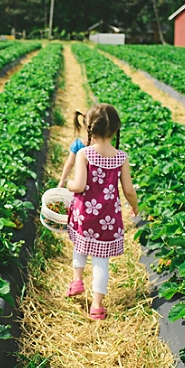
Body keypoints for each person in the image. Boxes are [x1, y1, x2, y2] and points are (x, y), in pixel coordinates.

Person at [64, 104, 139, 320]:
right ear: (116, 130)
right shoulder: (121, 157)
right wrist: (134, 206)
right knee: (100, 261)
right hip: (107, 217)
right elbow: (128, 190)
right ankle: (96, 306)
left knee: (80, 245)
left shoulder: (84, 153)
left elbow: (78, 186)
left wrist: (68, 185)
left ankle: (77, 280)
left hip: (84, 215)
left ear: (89, 127)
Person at [57, 111, 87, 189]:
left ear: (84, 126)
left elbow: (70, 164)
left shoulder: (78, 144)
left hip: (80, 183)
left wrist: (62, 181)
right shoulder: (101, 148)